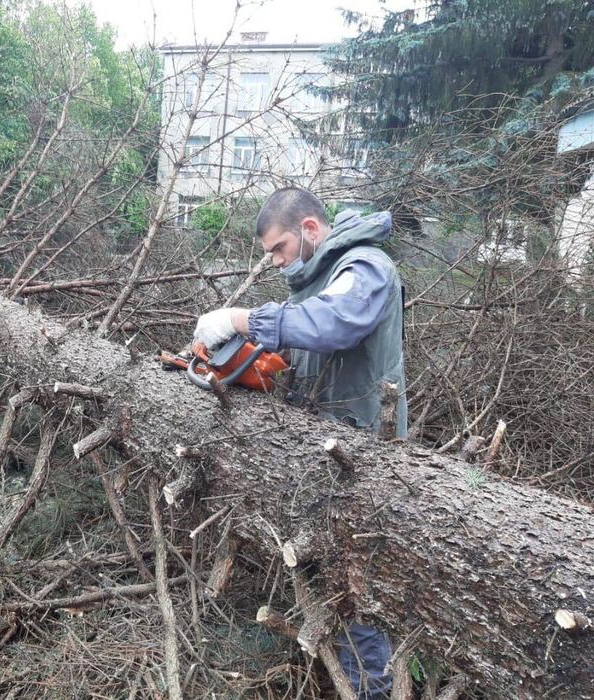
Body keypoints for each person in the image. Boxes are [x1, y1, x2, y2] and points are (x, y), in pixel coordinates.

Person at [192, 187, 406, 698]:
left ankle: (373, 690)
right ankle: (345, 680)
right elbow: (304, 357)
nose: (274, 260)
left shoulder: (365, 267)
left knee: (359, 590)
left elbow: (335, 324)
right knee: (328, 582)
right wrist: (237, 363)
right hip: (322, 457)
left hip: (363, 461)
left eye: (278, 247)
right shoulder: (311, 285)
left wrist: (241, 318)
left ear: (310, 229)